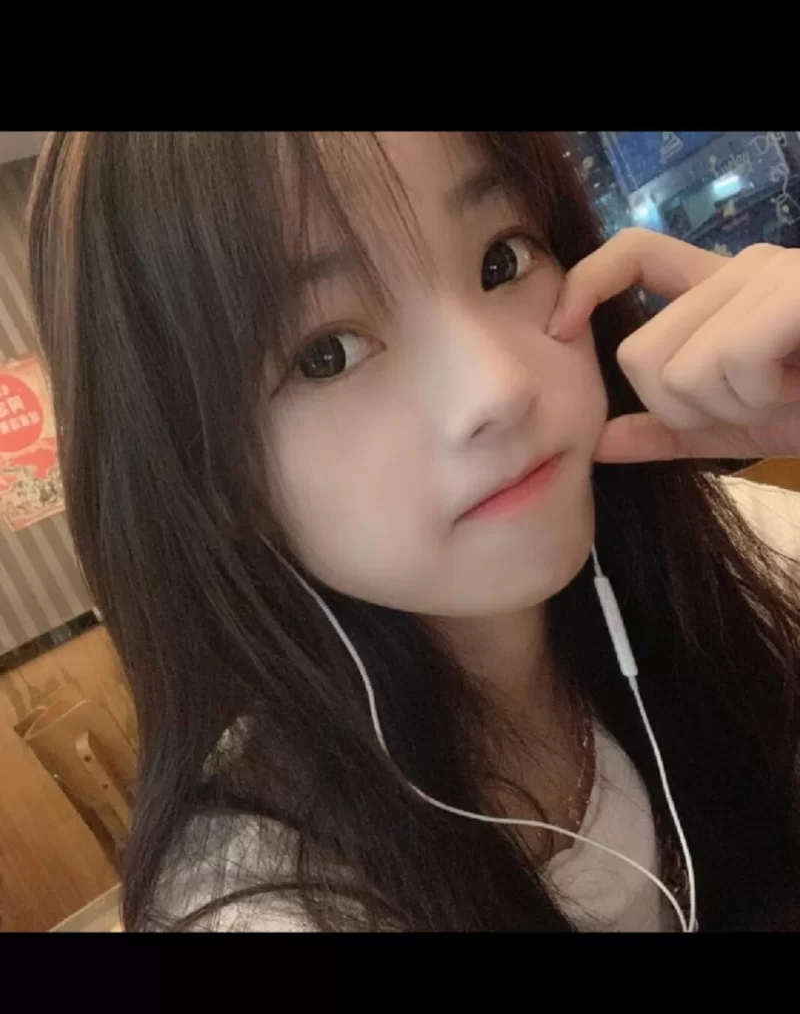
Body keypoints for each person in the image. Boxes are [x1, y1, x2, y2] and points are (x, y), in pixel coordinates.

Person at [26, 131, 800, 933]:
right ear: (207, 481)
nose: (497, 386)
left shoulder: (733, 556)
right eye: (326, 354)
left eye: (501, 261)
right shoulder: (267, 898)